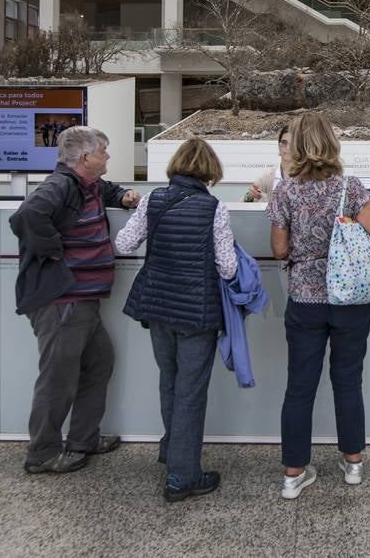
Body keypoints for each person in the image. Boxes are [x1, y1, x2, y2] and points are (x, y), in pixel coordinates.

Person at [268, 111, 370, 500]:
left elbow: (280, 249)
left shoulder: (284, 191)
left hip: (304, 300)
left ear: (297, 145)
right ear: (331, 144)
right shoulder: (350, 188)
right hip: (349, 298)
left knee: (299, 387)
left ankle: (293, 475)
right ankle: (352, 463)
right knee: (348, 380)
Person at [9, 126, 140, 474]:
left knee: (99, 363)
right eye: (104, 151)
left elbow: (105, 190)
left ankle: (84, 438)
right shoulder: (59, 185)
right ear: (85, 158)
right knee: (57, 379)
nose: (108, 156)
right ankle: (42, 453)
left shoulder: (87, 184)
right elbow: (26, 215)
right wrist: (57, 251)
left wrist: (124, 195)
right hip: (63, 302)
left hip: (83, 302)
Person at [118, 137, 237, 503]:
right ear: (210, 170)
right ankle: (182, 477)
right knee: (191, 391)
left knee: (169, 379)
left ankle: (172, 449)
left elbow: (123, 244)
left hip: (157, 308)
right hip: (196, 313)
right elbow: (227, 267)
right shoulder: (213, 208)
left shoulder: (152, 200)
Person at [244, 127, 290, 203]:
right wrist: (250, 196)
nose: (287, 148)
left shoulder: (307, 176)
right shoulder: (269, 176)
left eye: (293, 144)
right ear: (279, 146)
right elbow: (244, 203)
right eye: (284, 143)